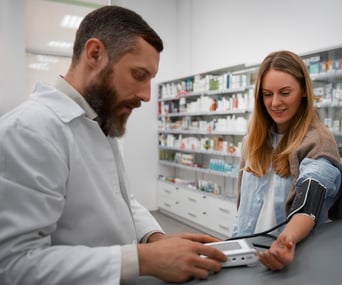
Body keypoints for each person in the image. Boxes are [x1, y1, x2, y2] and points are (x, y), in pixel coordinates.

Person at [0, 5, 226, 285]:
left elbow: (120, 200)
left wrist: (155, 240)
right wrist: (144, 259)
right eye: (139, 75)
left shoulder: (98, 121)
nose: (146, 96)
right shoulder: (29, 131)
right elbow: (13, 266)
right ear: (95, 54)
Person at [231, 50, 342, 271]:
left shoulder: (318, 141)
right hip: (245, 258)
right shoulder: (253, 141)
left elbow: (311, 196)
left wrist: (286, 240)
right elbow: (243, 210)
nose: (275, 103)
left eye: (285, 92)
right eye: (267, 94)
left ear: (304, 90)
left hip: (290, 261)